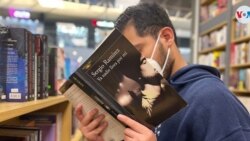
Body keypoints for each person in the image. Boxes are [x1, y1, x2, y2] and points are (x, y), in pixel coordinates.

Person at [75, 2, 250, 141]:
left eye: (137, 51)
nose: (133, 65)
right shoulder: (149, 97)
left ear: (166, 37)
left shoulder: (212, 99)